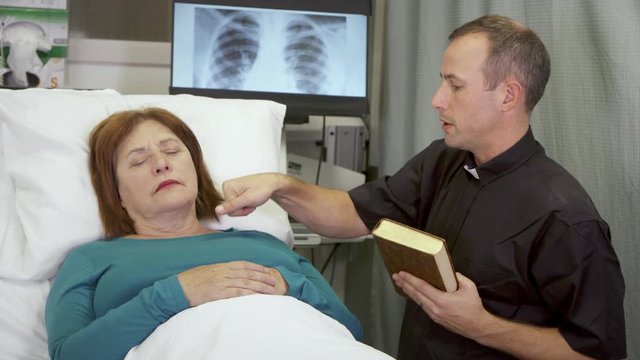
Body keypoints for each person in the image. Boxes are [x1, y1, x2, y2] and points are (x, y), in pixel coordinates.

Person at [215, 15, 627, 360]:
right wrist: (280, 186)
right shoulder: (445, 160)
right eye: (440, 82)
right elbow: (352, 215)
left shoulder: (564, 218)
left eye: (455, 85)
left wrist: (481, 326)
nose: (436, 99)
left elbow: (595, 351)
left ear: (508, 95)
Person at [44, 107, 362, 360]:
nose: (161, 164)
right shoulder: (92, 259)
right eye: (138, 160)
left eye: (172, 151)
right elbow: (68, 355)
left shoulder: (266, 246)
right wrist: (176, 293)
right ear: (117, 194)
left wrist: (289, 285)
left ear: (196, 168)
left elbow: (350, 334)